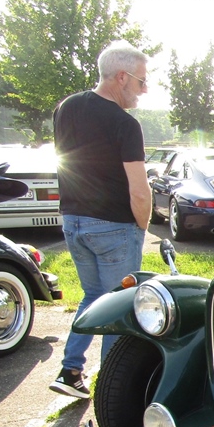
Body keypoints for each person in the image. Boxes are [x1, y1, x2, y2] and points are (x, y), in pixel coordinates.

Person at [49, 41, 152, 399]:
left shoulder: (66, 108)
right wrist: (141, 227)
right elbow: (139, 190)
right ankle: (111, 391)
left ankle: (70, 370)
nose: (144, 90)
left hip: (73, 221)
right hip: (113, 226)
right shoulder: (125, 124)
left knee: (93, 295)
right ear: (121, 77)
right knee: (119, 307)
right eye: (141, 81)